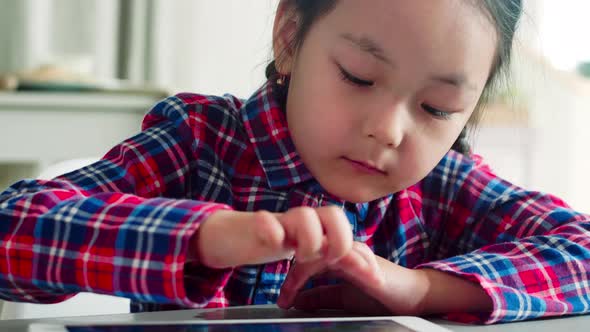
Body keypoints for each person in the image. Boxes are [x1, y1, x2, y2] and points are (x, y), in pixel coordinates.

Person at [1, 0, 589, 325]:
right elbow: (12, 227)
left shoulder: (441, 184)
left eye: (438, 107)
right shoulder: (199, 142)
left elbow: (580, 248)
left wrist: (418, 289)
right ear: (289, 37)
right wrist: (206, 237)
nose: (387, 129)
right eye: (358, 77)